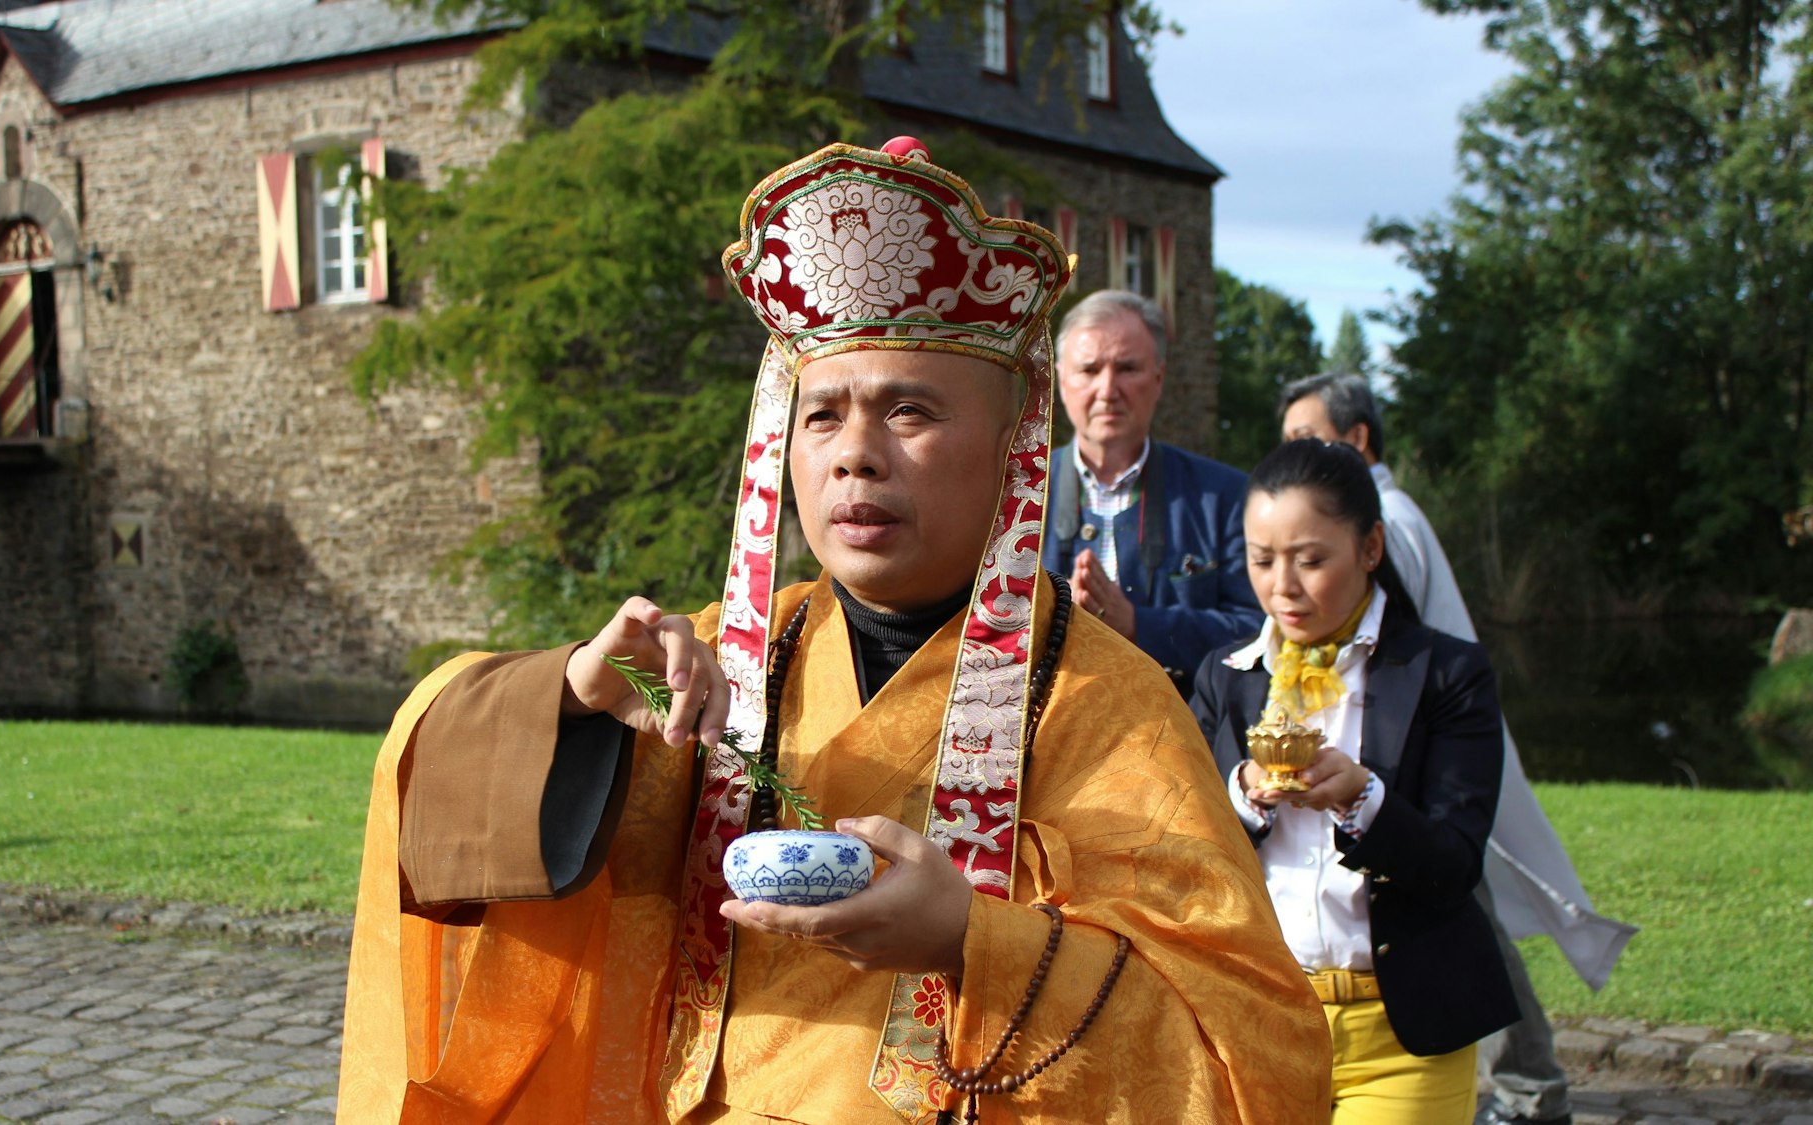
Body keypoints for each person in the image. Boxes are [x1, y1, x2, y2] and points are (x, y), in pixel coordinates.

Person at [336, 139, 1331, 1124]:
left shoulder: (1105, 705)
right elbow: (432, 794)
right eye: (821, 416)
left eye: (909, 411)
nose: (855, 454)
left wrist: (971, 943)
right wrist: (575, 697)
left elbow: (1255, 1054)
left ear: (1012, 447)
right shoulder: (711, 668)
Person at [1280, 372, 1637, 1125]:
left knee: (1453, 906)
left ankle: (1530, 1085)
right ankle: (1529, 1081)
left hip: (1422, 757)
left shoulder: (1390, 521)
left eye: (1307, 439)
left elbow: (1385, 643)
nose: (1294, 458)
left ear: (1357, 439)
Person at [1190, 439, 1520, 1124]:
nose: (1283, 586)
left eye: (1311, 560)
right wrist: (1242, 794)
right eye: (1262, 560)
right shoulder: (1227, 675)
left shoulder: (1446, 673)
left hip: (1403, 1031)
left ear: (1370, 547)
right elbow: (1183, 849)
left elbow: (1455, 863)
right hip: (1258, 1021)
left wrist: (1362, 798)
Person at [1042, 289, 1263, 697]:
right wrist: (1051, 617)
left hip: (1182, 727)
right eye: (1089, 370)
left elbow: (1260, 630)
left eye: (1127, 368)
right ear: (1060, 378)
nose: (1107, 390)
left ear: (1159, 378)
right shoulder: (1013, 494)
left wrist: (1139, 624)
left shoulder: (1226, 498)